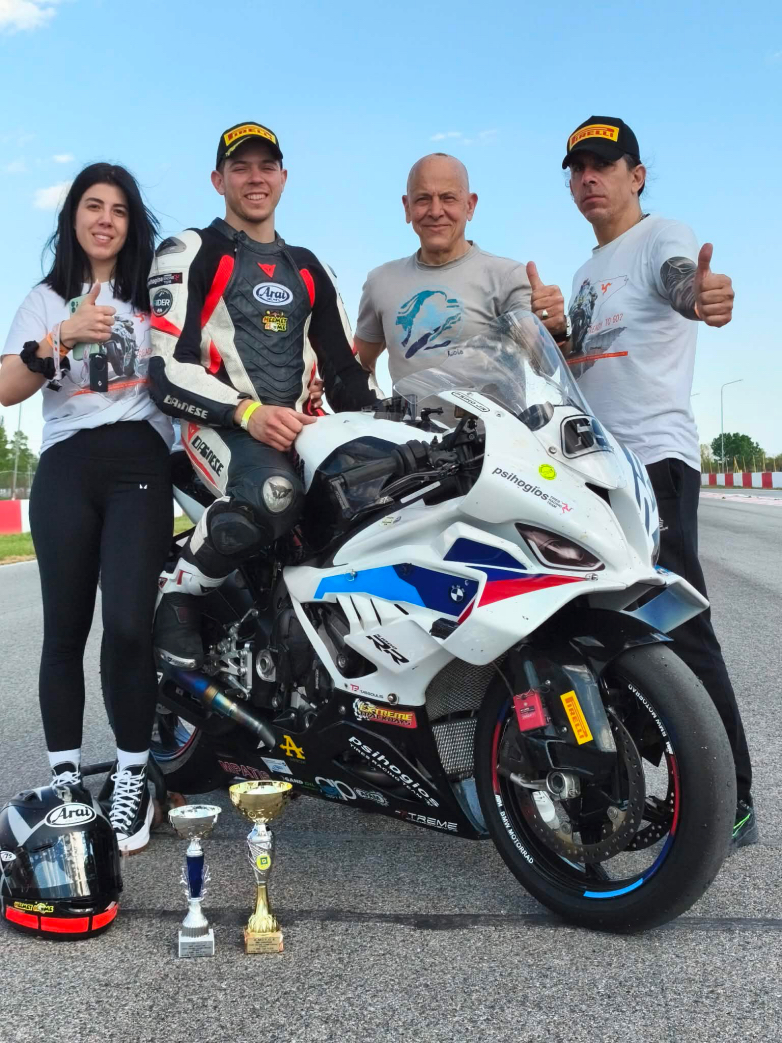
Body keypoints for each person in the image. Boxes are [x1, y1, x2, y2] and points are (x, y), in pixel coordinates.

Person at [526, 116, 755, 849]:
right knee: (604, 630)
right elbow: (584, 366)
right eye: (577, 169)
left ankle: (732, 798)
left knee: (679, 627)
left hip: (655, 460)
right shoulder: (587, 272)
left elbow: (684, 284)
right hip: (598, 470)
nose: (588, 178)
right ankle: (639, 782)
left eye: (604, 164)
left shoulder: (661, 237)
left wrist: (703, 294)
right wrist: (555, 336)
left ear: (637, 175)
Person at [149, 121, 378, 667]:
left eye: (266, 166)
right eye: (241, 168)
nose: (255, 178)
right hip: (219, 427)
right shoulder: (189, 250)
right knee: (274, 493)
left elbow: (345, 373)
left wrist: (393, 424)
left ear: (283, 177)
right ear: (218, 180)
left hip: (299, 429)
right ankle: (179, 593)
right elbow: (166, 370)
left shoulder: (309, 265)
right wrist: (247, 413)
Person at [0, 164, 174, 854]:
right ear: (72, 216)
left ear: (132, 225)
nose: (106, 219)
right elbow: (6, 386)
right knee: (64, 630)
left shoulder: (154, 296)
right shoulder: (45, 298)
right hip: (67, 466)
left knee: (129, 626)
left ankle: (132, 775)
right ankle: (68, 780)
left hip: (140, 463)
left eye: (120, 209)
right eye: (93, 206)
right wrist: (62, 337)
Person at [350, 153, 532, 408]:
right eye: (423, 199)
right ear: (407, 207)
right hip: (407, 435)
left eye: (448, 198)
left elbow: (542, 356)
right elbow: (357, 367)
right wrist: (373, 409)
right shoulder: (380, 281)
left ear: (470, 205)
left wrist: (553, 325)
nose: (436, 212)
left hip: (497, 434)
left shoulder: (507, 276)